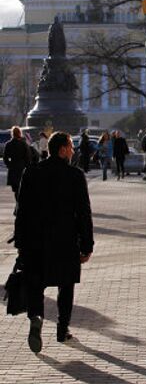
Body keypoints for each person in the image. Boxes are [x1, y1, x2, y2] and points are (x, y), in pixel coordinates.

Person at [14, 132, 94, 353]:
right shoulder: (75, 176)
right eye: (70, 147)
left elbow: (21, 211)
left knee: (35, 283)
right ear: (61, 150)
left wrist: (20, 241)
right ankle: (62, 328)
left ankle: (36, 317)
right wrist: (87, 245)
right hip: (65, 240)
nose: (73, 150)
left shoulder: (31, 173)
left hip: (34, 241)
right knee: (65, 284)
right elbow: (84, 213)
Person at [3, 126, 32, 200]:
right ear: (20, 133)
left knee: (16, 190)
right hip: (22, 168)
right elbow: (28, 157)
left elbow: (5, 158)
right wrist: (27, 166)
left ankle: (18, 204)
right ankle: (21, 206)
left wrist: (9, 165)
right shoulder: (23, 144)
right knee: (22, 188)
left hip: (13, 168)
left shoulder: (8, 144)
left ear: (12, 134)